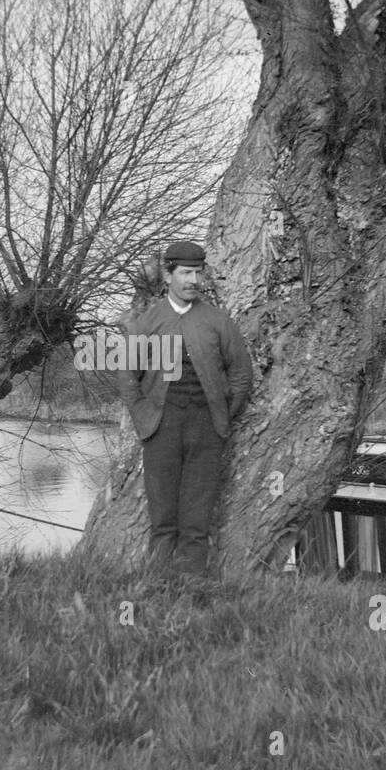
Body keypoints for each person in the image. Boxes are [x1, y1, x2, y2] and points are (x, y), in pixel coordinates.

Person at [116, 240, 253, 580]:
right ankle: (156, 588)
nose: (194, 280)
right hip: (161, 427)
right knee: (163, 519)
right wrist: (145, 418)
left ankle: (192, 589)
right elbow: (127, 379)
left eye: (198, 272)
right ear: (169, 274)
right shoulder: (147, 323)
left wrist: (221, 414)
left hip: (206, 428)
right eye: (186, 272)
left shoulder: (219, 322)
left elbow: (241, 375)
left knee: (197, 517)